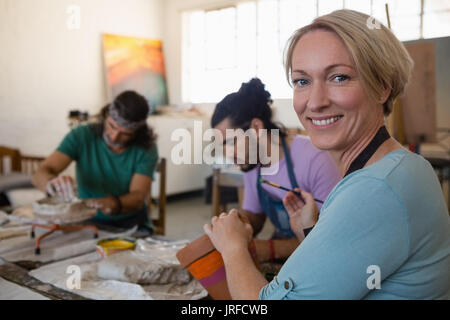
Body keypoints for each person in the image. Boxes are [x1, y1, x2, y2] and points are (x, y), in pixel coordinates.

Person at [204, 9, 450, 299]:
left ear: (382, 88)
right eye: (302, 81)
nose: (316, 102)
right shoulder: (402, 167)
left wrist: (233, 249)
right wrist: (312, 231)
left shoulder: (374, 190)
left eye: (339, 77)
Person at [211, 78, 340, 262]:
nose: (229, 153)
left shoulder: (315, 158)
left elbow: (332, 239)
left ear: (256, 127)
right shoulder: (251, 163)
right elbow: (255, 216)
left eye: (231, 141)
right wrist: (235, 224)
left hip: (322, 260)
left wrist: (269, 249)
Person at [32, 90, 158, 233]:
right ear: (105, 117)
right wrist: (51, 184)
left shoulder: (146, 148)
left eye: (125, 134)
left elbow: (138, 197)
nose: (114, 136)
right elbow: (41, 173)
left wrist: (114, 204)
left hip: (131, 223)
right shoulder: (81, 135)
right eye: (111, 126)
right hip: (86, 220)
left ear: (137, 133)